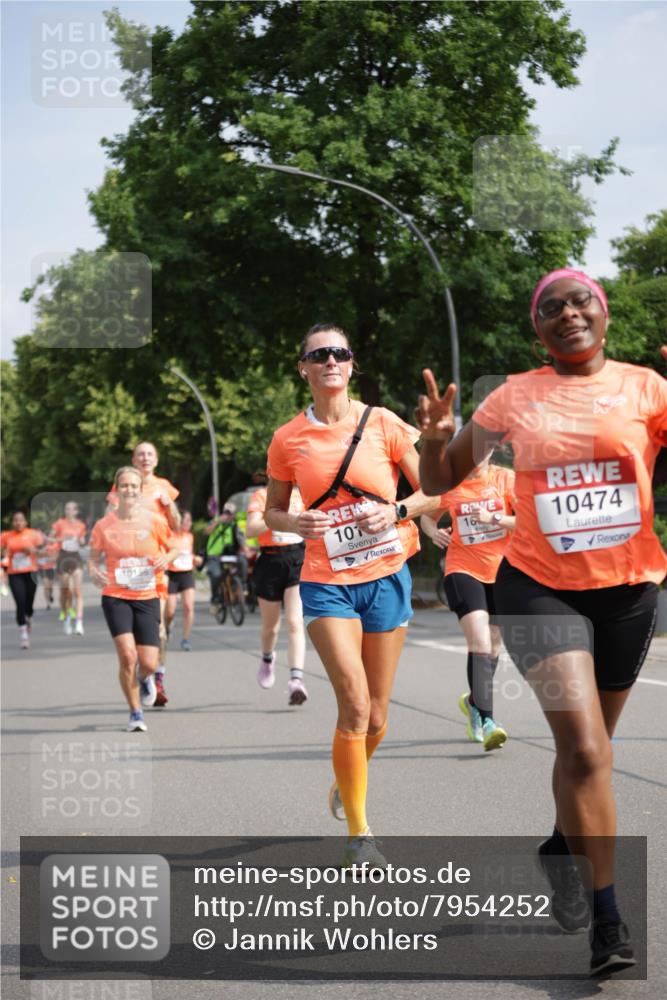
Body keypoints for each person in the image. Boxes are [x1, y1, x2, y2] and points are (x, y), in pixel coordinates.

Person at [417, 269, 667, 976]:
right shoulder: (514, 396)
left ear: (603, 315)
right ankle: (608, 922)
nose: (567, 312)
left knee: (591, 754)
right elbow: (439, 481)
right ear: (538, 330)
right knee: (584, 750)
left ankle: (562, 846)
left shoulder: (648, 388)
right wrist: (436, 439)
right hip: (536, 589)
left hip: (627, 591)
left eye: (580, 300)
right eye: (550, 307)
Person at [265, 323, 436, 868]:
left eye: (340, 352)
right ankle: (360, 835)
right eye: (319, 354)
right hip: (326, 581)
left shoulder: (383, 422)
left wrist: (397, 510)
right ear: (304, 368)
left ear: (352, 363)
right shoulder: (287, 438)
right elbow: (273, 511)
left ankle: (347, 779)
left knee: (378, 716)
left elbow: (435, 491)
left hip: (386, 574)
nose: (330, 361)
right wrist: (295, 522)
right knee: (355, 704)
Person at [421, 456, 516, 750]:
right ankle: (488, 721)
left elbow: (528, 521)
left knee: (494, 647)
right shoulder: (451, 483)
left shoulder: (505, 479)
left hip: (503, 572)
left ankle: (474, 702)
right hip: (462, 568)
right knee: (480, 641)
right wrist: (433, 532)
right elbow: (427, 516)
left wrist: (495, 519)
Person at [89, 467, 177, 732]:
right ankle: (135, 712)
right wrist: (94, 572)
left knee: (149, 662)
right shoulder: (104, 525)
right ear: (116, 491)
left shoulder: (154, 521)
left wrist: (166, 558)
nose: (129, 490)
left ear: (140, 491)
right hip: (116, 596)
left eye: (133, 486)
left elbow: (174, 548)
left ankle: (145, 677)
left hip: (147, 596)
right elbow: (93, 559)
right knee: (127, 656)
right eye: (124, 486)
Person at [107, 442, 180, 705]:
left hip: (156, 566)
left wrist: (169, 506)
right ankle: (146, 672)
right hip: (129, 568)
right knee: (140, 630)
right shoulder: (124, 485)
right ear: (134, 459)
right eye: (141, 454)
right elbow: (109, 522)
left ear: (156, 460)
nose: (145, 458)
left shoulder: (164, 486)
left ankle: (155, 676)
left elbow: (176, 525)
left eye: (150, 454)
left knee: (161, 625)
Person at [246, 483, 308, 704]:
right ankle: (267, 658)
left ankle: (296, 680)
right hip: (270, 561)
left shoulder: (303, 495)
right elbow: (250, 530)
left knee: (294, 622)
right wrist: (277, 517)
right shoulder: (262, 495)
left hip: (297, 559)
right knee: (271, 627)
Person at [1, 511, 44, 649]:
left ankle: (29, 616)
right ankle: (24, 635)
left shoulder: (33, 534)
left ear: (25, 522)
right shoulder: (6, 536)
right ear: (12, 522)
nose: (18, 523)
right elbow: (2, 553)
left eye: (20, 520)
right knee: (20, 603)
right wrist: (4, 555)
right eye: (15, 520)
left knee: (29, 603)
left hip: (31, 572)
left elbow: (43, 551)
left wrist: (31, 550)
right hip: (15, 574)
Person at [165, 510, 202, 654]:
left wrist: (195, 559)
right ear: (179, 520)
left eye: (190, 521)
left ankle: (185, 639)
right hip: (172, 574)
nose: (189, 523)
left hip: (187, 574)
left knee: (188, 607)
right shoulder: (169, 535)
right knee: (170, 611)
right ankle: (167, 627)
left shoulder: (190, 536)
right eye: (187, 520)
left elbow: (190, 554)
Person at [50, 501, 87, 635]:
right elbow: (50, 539)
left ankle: (79, 623)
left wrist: (80, 541)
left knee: (77, 591)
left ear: (76, 511)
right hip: (63, 558)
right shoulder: (59, 523)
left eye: (72, 509)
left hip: (75, 558)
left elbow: (82, 542)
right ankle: (66, 617)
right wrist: (62, 539)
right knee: (66, 592)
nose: (69, 511)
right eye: (67, 509)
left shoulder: (81, 525)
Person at [203, 502, 249, 606]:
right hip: (214, 555)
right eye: (226, 513)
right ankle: (215, 598)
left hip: (230, 555)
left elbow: (241, 539)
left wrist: (246, 550)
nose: (228, 516)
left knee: (243, 562)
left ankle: (241, 586)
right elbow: (206, 532)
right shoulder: (215, 522)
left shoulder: (234, 525)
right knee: (216, 574)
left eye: (230, 514)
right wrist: (217, 521)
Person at [37, 539, 58, 610]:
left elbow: (57, 556)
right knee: (46, 586)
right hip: (43, 568)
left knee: (50, 586)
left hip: (52, 568)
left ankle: (50, 595)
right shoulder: (40, 547)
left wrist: (53, 558)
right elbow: (37, 555)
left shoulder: (55, 545)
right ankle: (48, 603)